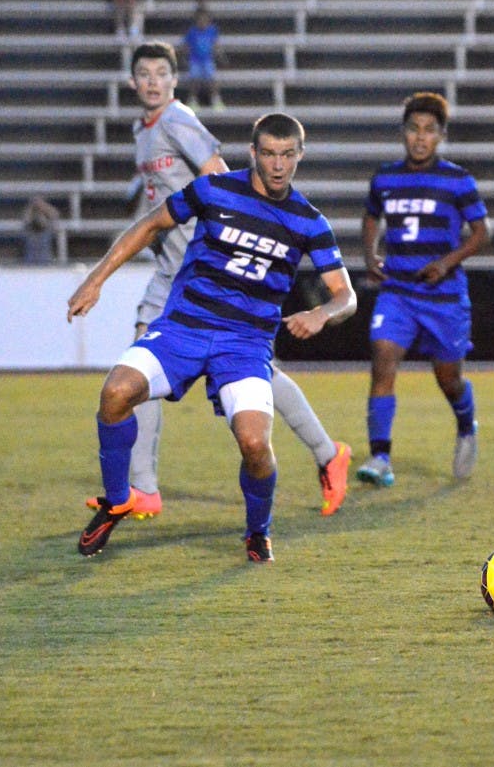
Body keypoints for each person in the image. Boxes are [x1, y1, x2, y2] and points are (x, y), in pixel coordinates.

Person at [68, 113, 357, 562]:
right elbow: (149, 225)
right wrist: (96, 279)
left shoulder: (309, 221)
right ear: (253, 153)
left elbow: (346, 295)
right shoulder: (214, 189)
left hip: (244, 346)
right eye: (269, 154)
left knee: (256, 445)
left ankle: (257, 531)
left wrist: (322, 313)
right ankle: (118, 499)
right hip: (184, 327)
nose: (278, 165)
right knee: (116, 393)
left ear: (300, 155)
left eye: (287, 155)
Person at [112, 42, 351, 523]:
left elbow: (219, 176)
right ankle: (327, 454)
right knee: (238, 370)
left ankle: (143, 487)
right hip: (176, 272)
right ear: (133, 81)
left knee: (224, 369)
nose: (154, 81)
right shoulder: (146, 128)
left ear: (175, 81)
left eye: (162, 72)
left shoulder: (178, 120)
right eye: (145, 73)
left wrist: (233, 239)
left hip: (201, 272)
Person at [357, 92, 491, 487]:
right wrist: (370, 255)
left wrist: (446, 262)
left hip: (444, 297)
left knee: (448, 378)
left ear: (441, 135)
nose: (420, 137)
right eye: (414, 129)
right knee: (382, 359)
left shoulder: (457, 180)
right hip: (397, 290)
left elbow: (483, 233)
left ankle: (467, 425)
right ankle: (380, 457)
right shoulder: (385, 177)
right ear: (404, 133)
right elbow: (370, 216)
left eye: (429, 130)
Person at [181, 1, 226, 110]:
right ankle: (192, 100)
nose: (202, 22)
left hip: (207, 60)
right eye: (200, 19)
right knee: (194, 81)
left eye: (205, 19)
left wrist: (220, 56)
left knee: (211, 80)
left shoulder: (212, 30)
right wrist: (183, 58)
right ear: (196, 20)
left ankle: (216, 100)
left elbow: (215, 45)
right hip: (195, 60)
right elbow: (186, 46)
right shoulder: (192, 32)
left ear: (208, 20)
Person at [20, 195, 60, 264]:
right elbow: (26, 220)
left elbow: (55, 215)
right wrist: (32, 207)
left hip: (44, 244)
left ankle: (45, 262)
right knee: (32, 238)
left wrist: (43, 206)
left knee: (44, 231)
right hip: (32, 240)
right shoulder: (30, 213)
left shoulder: (46, 215)